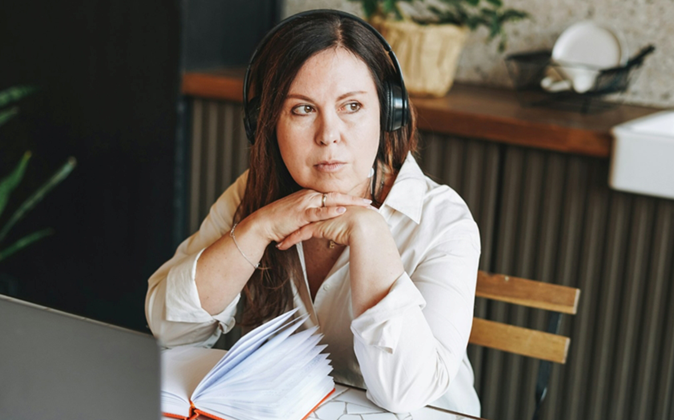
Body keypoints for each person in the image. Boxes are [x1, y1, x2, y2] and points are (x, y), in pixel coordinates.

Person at [145, 10, 481, 416]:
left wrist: (370, 234)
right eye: (303, 109)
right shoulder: (253, 194)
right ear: (266, 122)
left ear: (387, 113)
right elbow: (171, 329)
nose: (328, 135)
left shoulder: (443, 221)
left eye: (352, 106)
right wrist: (258, 228)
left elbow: (405, 394)